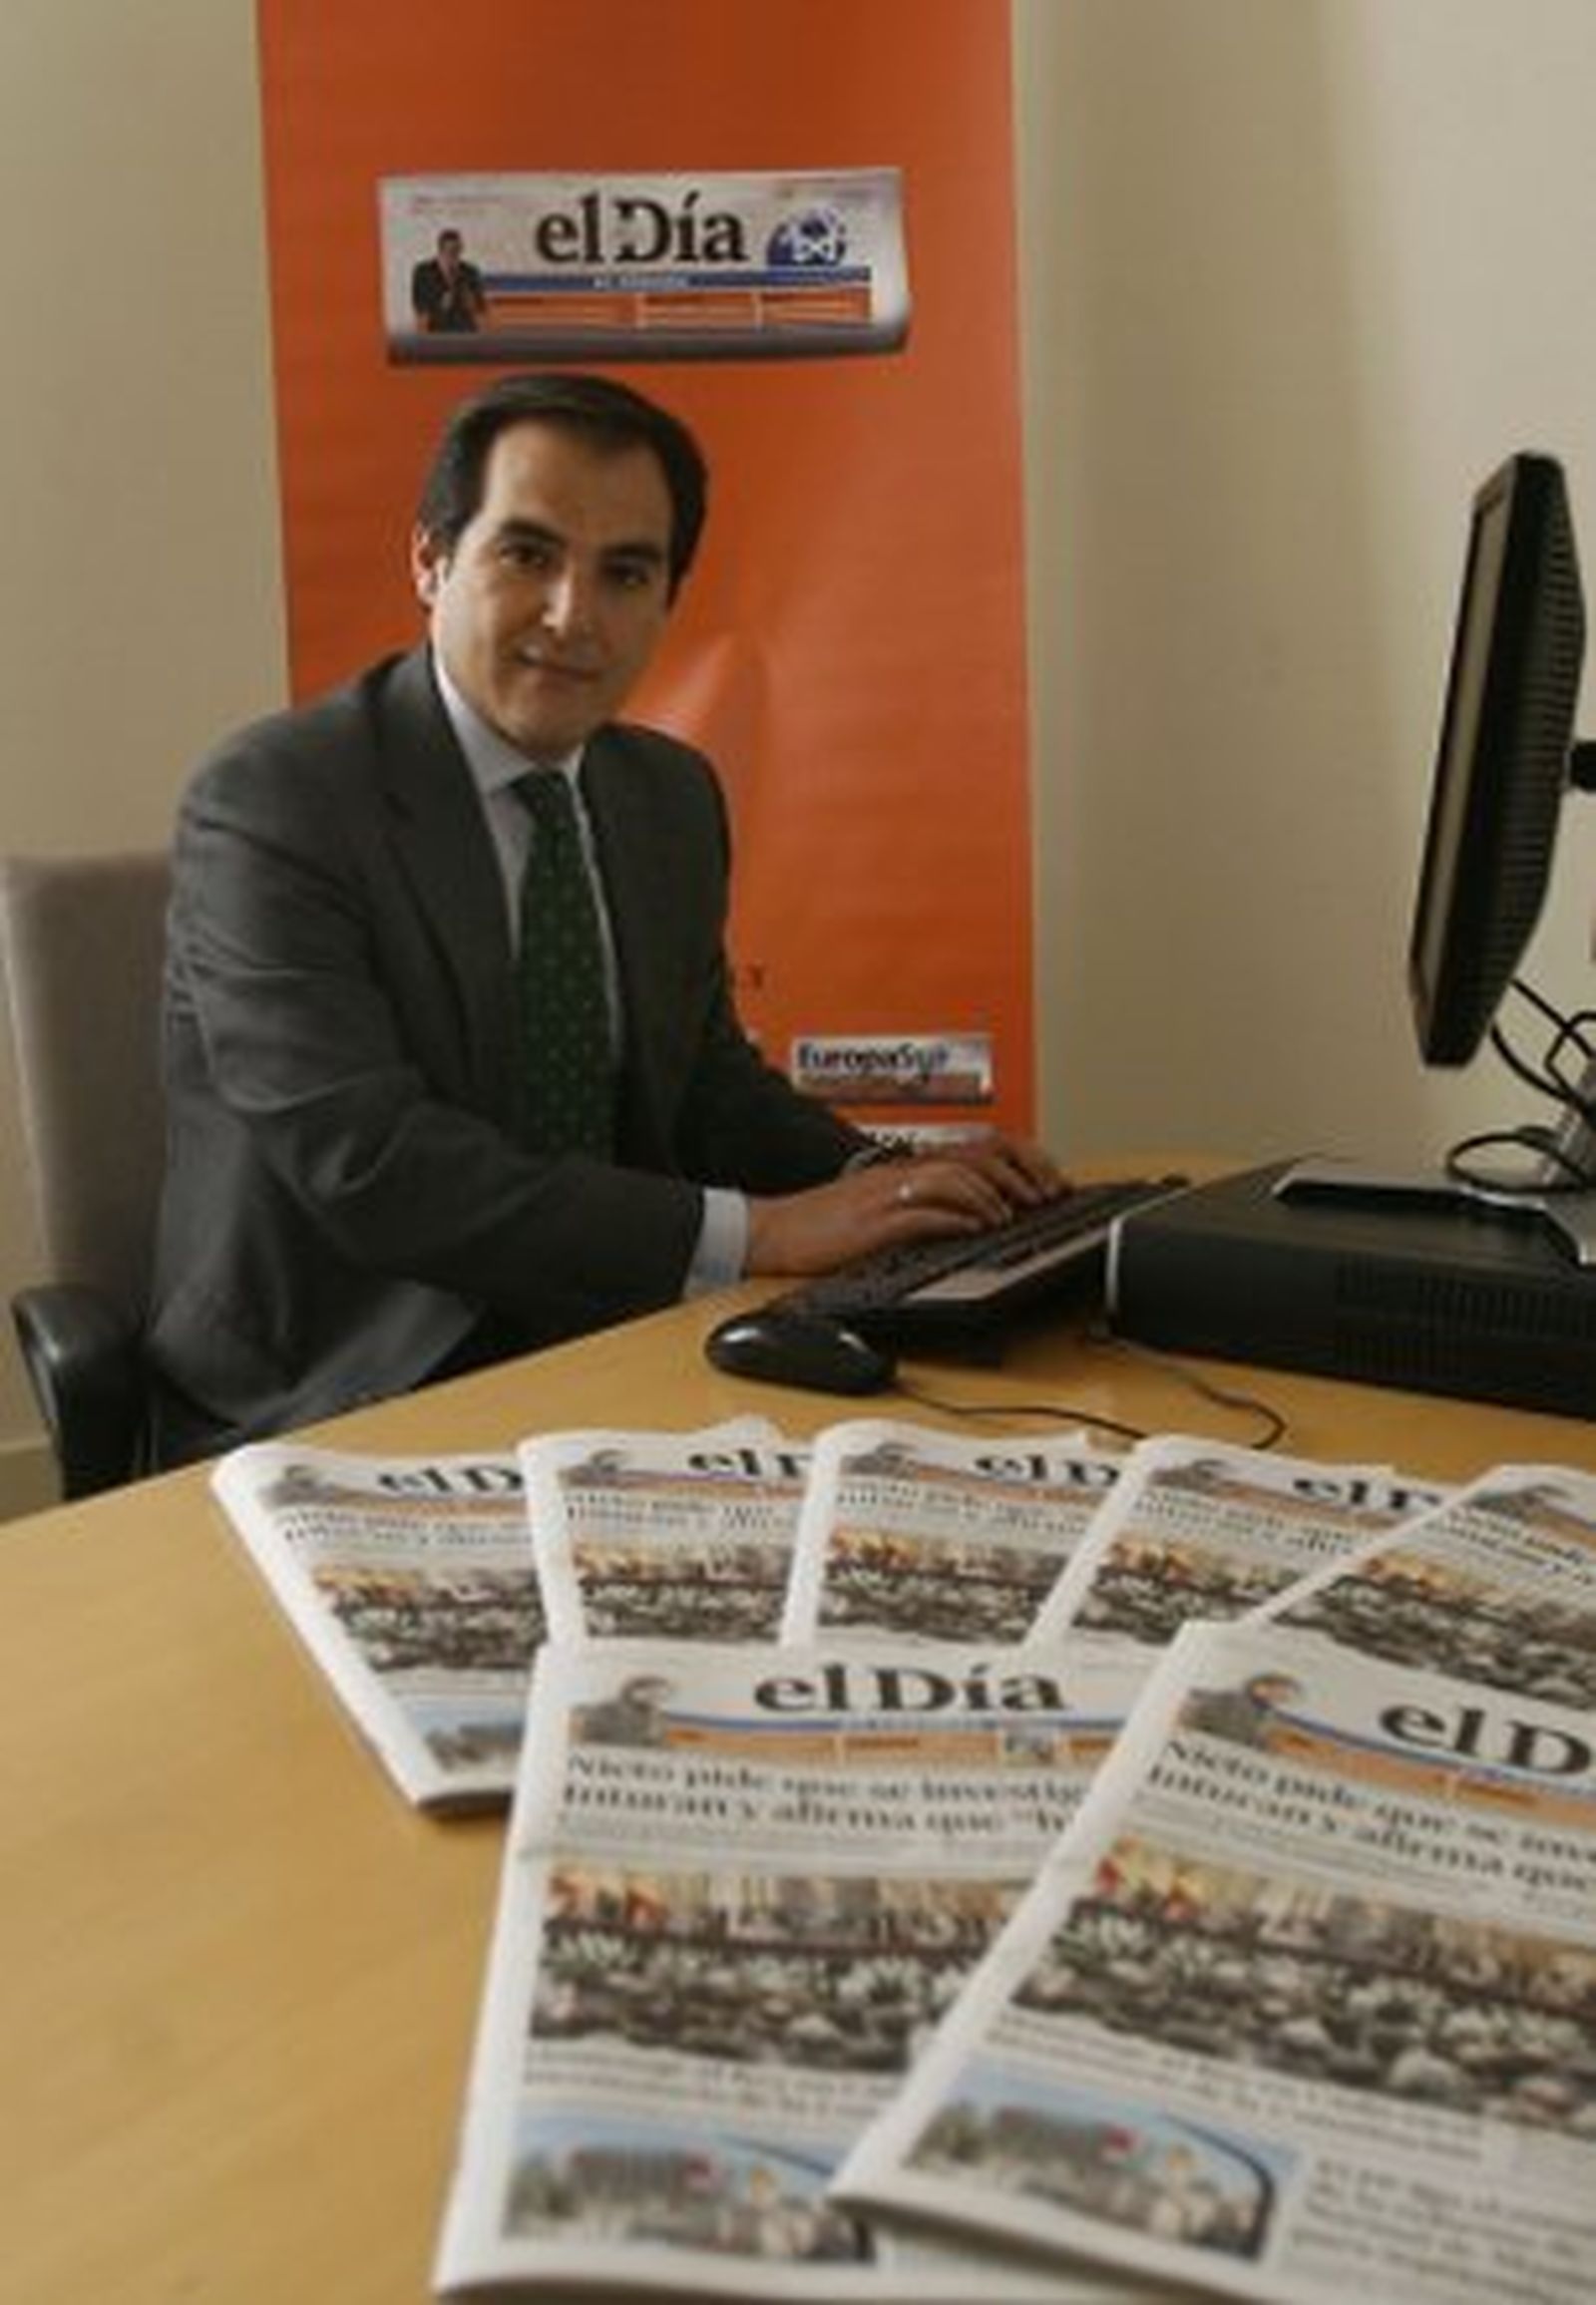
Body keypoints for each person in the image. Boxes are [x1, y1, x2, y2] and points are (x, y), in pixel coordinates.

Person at [148, 371, 1060, 1460]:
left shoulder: (666, 794)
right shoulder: (277, 799)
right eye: (527, 554)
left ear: (668, 601)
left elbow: (705, 1082)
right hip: (350, 1377)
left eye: (625, 573)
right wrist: (762, 1231)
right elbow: (369, 1164)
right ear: (431, 560)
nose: (573, 615)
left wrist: (883, 1184)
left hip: (618, 1336)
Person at [410, 227, 488, 334]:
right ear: (441, 250)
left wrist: (471, 303)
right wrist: (439, 305)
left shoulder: (470, 272)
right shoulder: (424, 272)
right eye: (451, 251)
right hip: (436, 331)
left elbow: (481, 305)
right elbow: (419, 304)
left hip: (465, 331)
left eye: (458, 251)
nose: (455, 256)